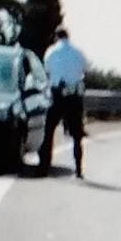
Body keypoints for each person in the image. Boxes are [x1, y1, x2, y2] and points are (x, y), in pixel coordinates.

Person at [40, 27, 88, 178]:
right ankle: (78, 168)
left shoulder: (51, 52)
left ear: (56, 37)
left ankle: (45, 166)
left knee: (49, 131)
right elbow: (84, 70)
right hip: (74, 95)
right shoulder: (78, 52)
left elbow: (47, 70)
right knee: (77, 135)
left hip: (57, 94)